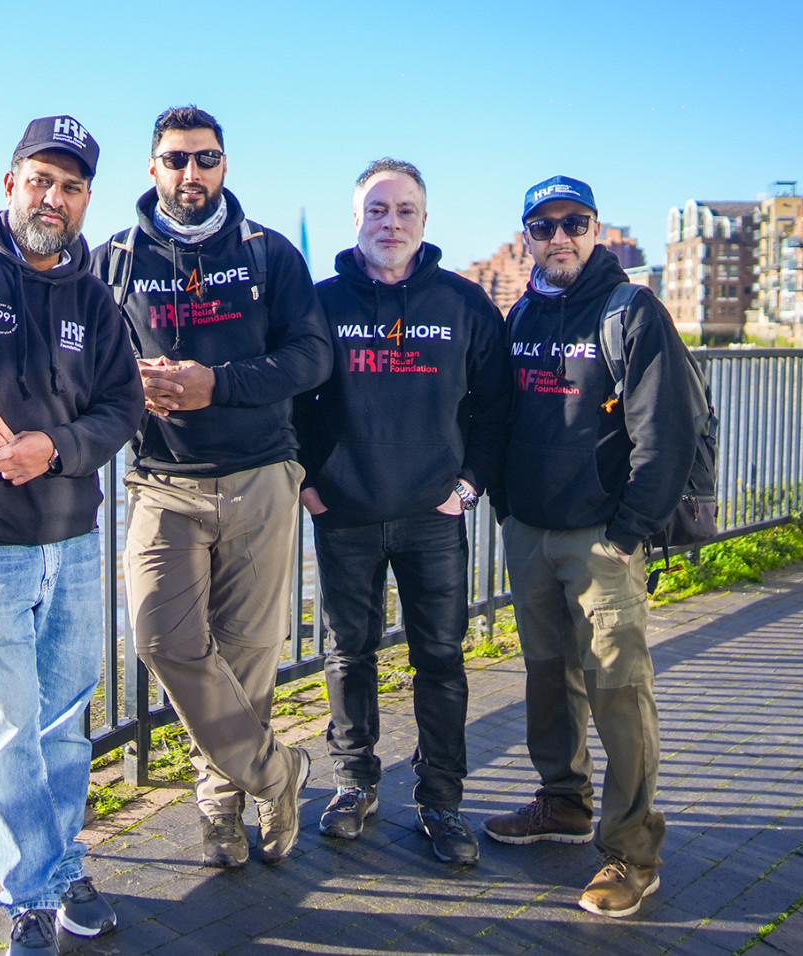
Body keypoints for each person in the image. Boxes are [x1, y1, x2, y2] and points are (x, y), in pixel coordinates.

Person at [90, 104, 330, 868]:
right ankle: (276, 771)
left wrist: (214, 384)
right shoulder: (114, 260)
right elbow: (85, 367)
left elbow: (313, 357)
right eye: (175, 159)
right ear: (151, 167)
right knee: (162, 640)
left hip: (261, 475)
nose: (190, 172)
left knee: (249, 653)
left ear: (226, 165)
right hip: (163, 483)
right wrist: (132, 382)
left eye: (206, 158)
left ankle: (220, 806)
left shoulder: (270, 254)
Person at [0, 115, 142, 956]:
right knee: (3, 725)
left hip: (75, 537)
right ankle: (29, 891)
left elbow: (121, 405)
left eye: (72, 185)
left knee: (64, 719)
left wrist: (56, 447)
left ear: (87, 198)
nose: (54, 198)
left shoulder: (95, 293)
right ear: (10, 182)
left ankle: (63, 867)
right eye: (41, 180)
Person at [486, 175, 698, 918]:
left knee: (618, 689)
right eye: (544, 227)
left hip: (602, 541)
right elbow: (501, 415)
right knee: (550, 678)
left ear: (597, 230)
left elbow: (664, 432)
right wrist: (509, 507)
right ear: (528, 239)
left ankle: (632, 852)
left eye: (574, 223)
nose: (560, 238)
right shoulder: (520, 316)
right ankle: (563, 802)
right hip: (531, 532)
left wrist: (627, 534)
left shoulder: (630, 310)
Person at [294, 159, 512, 865]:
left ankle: (441, 801)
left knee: (441, 660)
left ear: (425, 220)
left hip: (433, 515)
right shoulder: (319, 304)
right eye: (378, 210)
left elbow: (495, 407)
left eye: (405, 211)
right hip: (346, 514)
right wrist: (308, 482)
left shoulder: (464, 304)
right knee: (347, 655)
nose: (391, 223)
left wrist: (470, 485)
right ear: (356, 218)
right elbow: (290, 401)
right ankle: (354, 783)